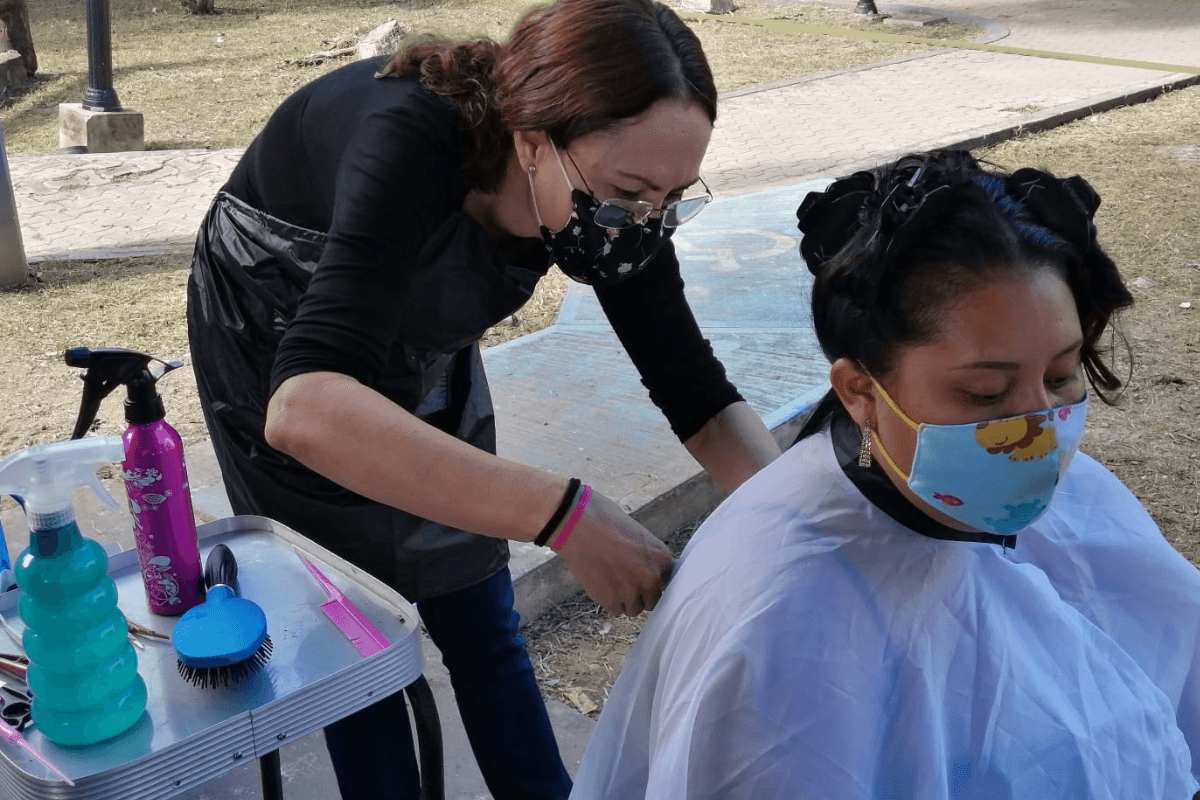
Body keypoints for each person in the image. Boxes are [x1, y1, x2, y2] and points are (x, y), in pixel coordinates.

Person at [186, 0, 783, 796]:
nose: (642, 225)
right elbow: (306, 410)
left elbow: (697, 393)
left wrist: (805, 522)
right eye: (628, 195)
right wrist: (566, 515)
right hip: (273, 326)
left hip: (414, 336)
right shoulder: (406, 141)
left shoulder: (615, 209)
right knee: (354, 635)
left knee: (479, 610)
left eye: (671, 200)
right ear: (531, 142)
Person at [568, 150, 1200, 799]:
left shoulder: (1076, 495)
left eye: (1062, 375)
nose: (1039, 428)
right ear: (860, 392)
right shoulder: (781, 625)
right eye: (985, 394)